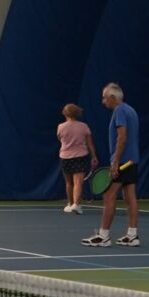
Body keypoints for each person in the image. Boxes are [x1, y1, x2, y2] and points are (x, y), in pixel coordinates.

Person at [85, 82, 140, 248]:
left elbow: (122, 137)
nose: (103, 101)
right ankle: (132, 235)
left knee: (109, 195)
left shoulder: (119, 110)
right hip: (132, 160)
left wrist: (115, 161)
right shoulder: (131, 110)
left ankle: (103, 236)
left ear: (112, 97)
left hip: (122, 160)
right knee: (130, 197)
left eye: (104, 98)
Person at [56, 102, 95, 213]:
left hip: (65, 157)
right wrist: (94, 156)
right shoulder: (84, 126)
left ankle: (70, 204)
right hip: (80, 157)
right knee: (78, 182)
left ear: (65, 113)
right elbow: (90, 144)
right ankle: (76, 204)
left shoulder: (60, 127)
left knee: (69, 183)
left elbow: (60, 140)